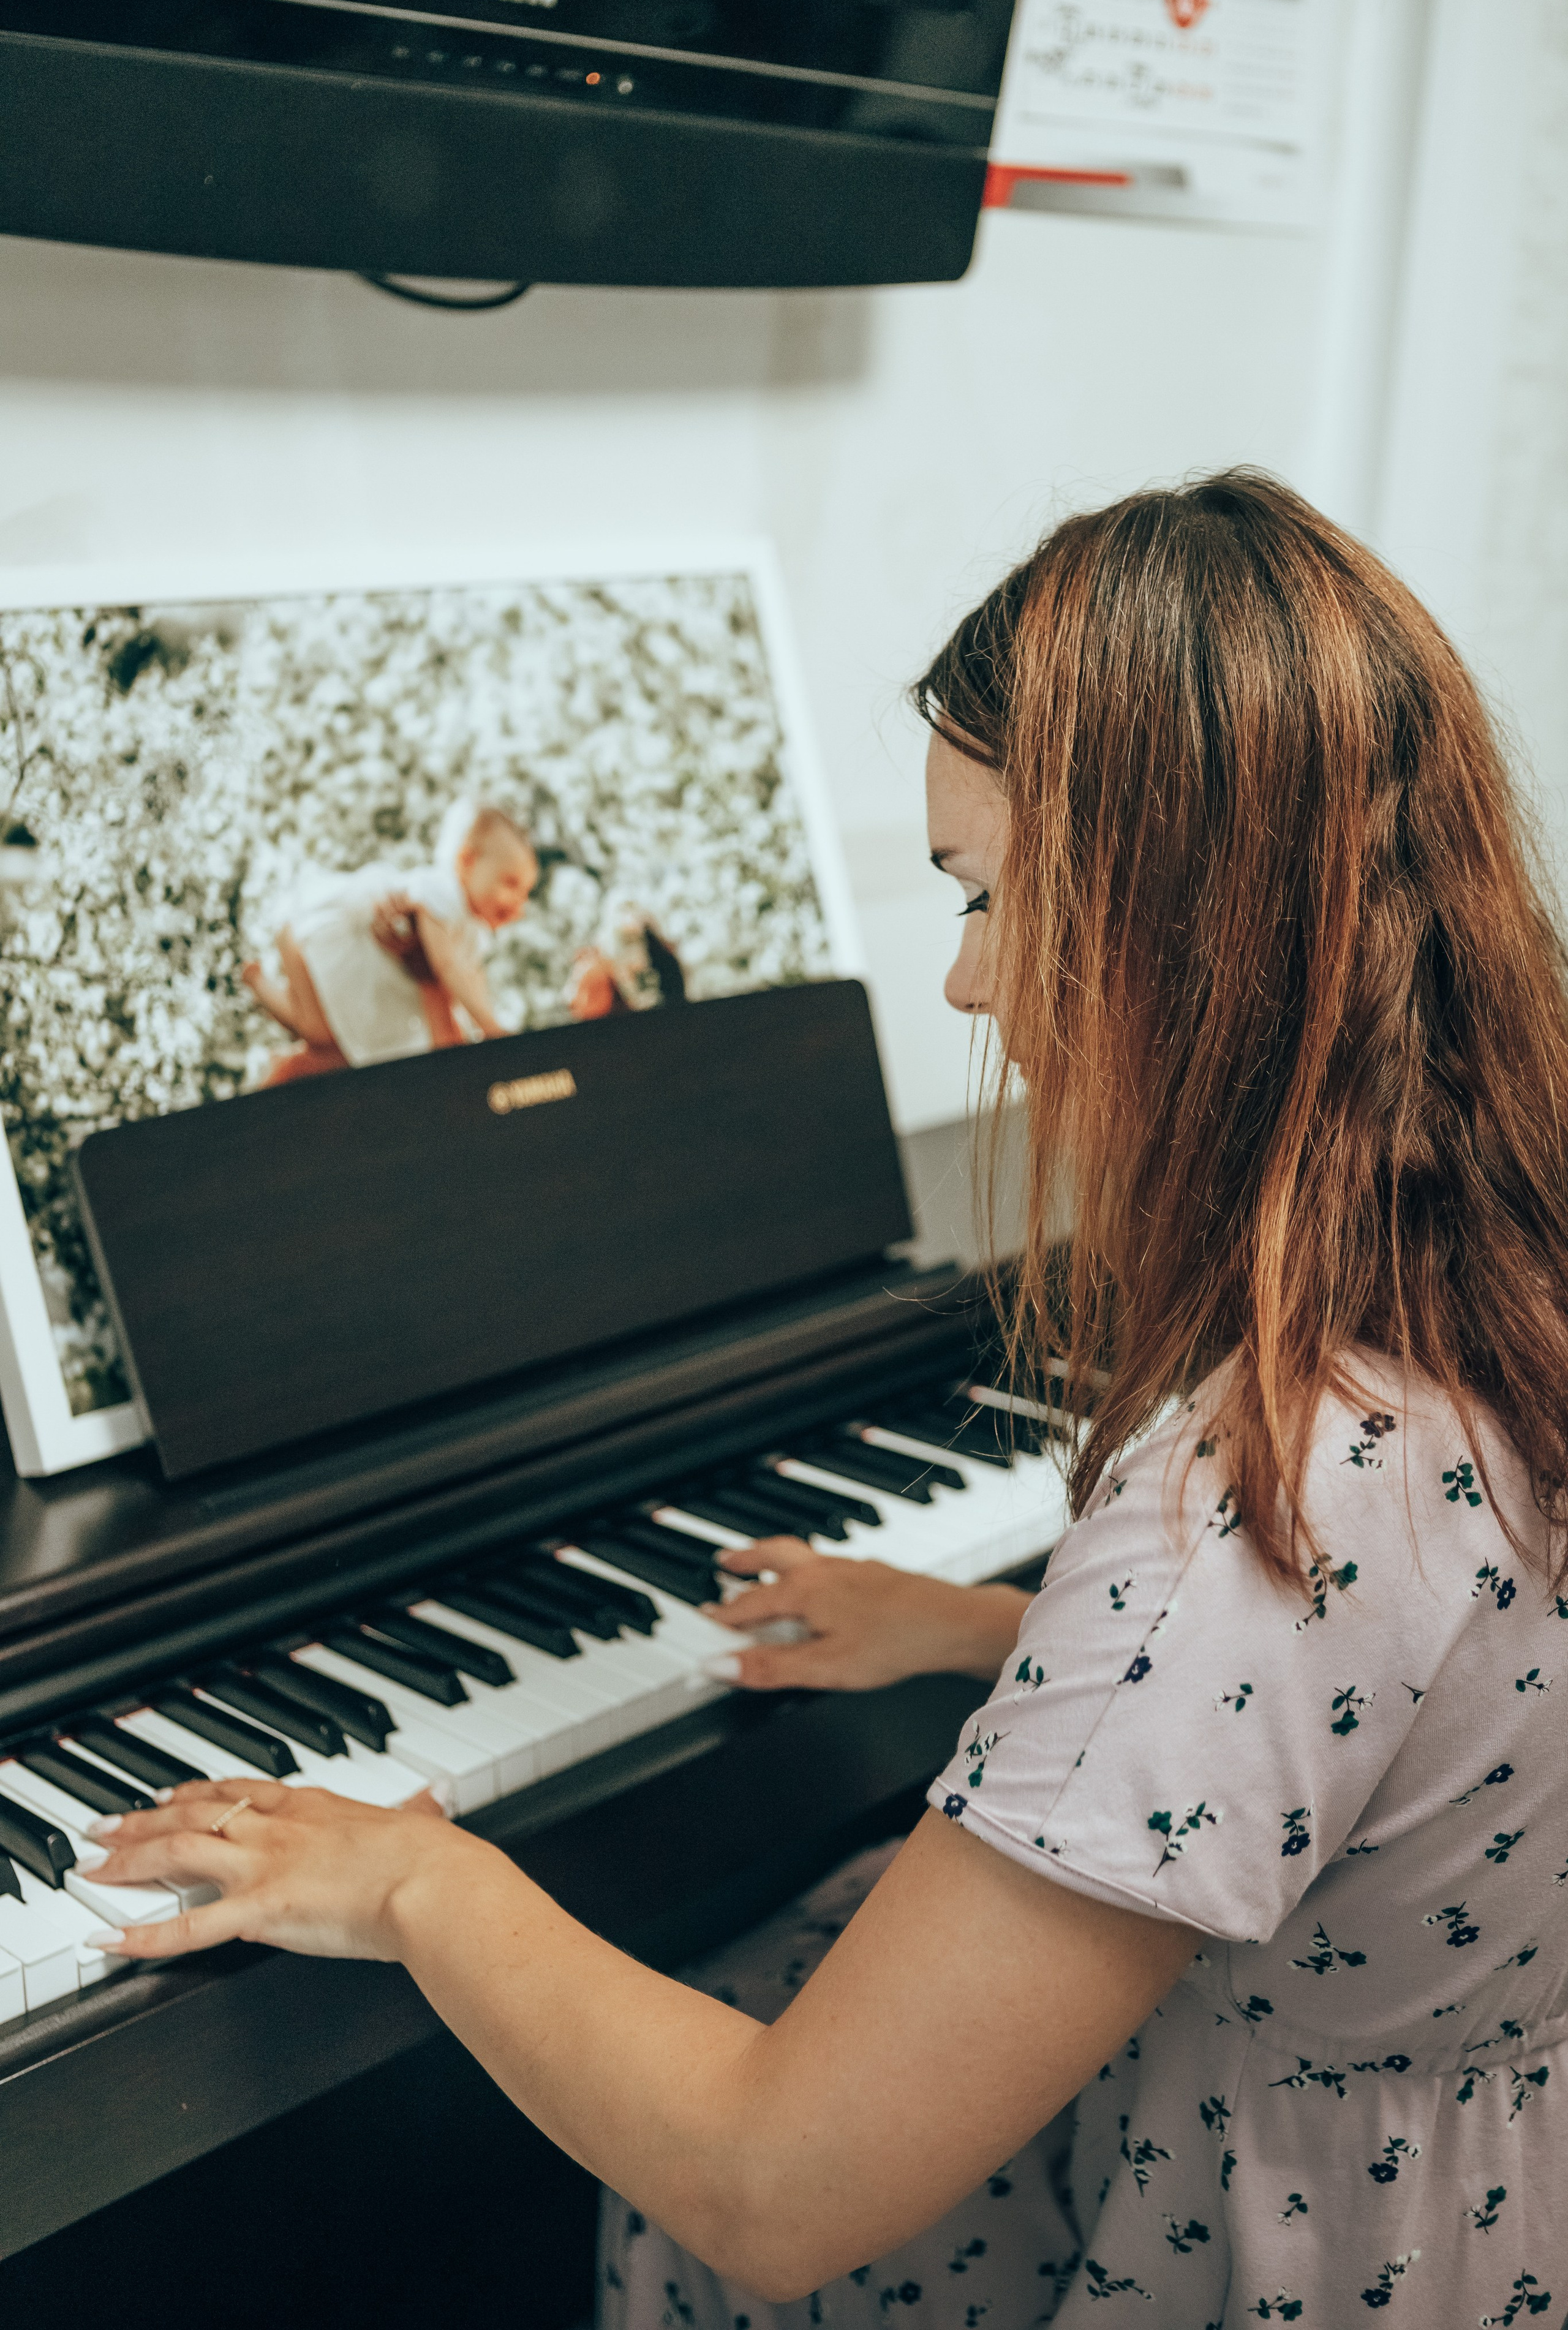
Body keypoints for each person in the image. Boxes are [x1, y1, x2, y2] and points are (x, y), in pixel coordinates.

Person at [81, 473, 1568, 2326]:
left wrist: (414, 1883)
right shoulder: (1488, 1282)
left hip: (1228, 2217)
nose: (963, 978)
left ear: (1184, 917)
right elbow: (1378, 1700)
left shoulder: (1252, 1504)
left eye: (987, 894)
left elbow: (774, 2186)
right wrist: (998, 1628)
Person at [242, 803, 537, 1084]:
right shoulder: (442, 894)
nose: (518, 903)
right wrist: (492, 1028)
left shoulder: (474, 932)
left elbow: (471, 981)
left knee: (320, 1034)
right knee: (316, 1031)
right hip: (343, 948)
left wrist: (485, 1023)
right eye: (509, 883)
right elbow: (446, 965)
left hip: (370, 986)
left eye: (525, 893)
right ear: (467, 862)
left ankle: (262, 990)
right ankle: (260, 980)